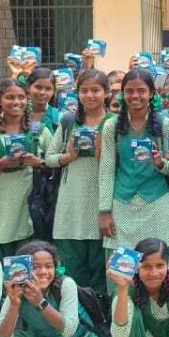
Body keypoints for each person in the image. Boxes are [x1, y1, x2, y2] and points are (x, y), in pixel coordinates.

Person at [97, 69, 169, 250]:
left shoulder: (165, 125)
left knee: (158, 260)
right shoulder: (111, 126)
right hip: (122, 204)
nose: (135, 96)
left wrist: (160, 163)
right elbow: (106, 169)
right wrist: (104, 210)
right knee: (122, 262)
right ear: (122, 93)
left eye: (141, 91)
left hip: (157, 204)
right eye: (129, 91)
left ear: (151, 93)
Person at [45, 69, 110, 292]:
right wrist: (69, 156)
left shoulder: (114, 123)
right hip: (71, 202)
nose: (90, 95)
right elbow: (49, 158)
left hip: (101, 200)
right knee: (73, 265)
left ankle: (100, 308)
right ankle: (76, 307)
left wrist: (102, 152)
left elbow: (122, 163)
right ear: (77, 93)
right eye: (84, 90)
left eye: (96, 90)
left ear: (106, 93)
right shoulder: (68, 121)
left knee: (99, 264)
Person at [0, 78, 44, 258]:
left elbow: (52, 165)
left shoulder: (37, 130)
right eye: (10, 97)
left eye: (21, 97)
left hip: (27, 203)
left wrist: (38, 163)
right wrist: (0, 165)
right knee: (0, 256)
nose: (16, 102)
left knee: (26, 254)